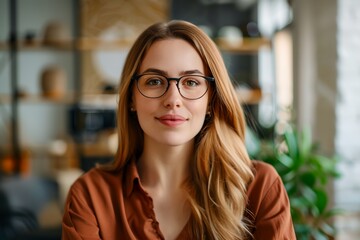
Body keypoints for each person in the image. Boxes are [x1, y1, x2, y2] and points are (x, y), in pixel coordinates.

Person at [62, 20, 296, 240]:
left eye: (191, 82)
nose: (173, 99)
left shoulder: (260, 189)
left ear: (211, 99)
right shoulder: (91, 195)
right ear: (132, 97)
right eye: (154, 81)